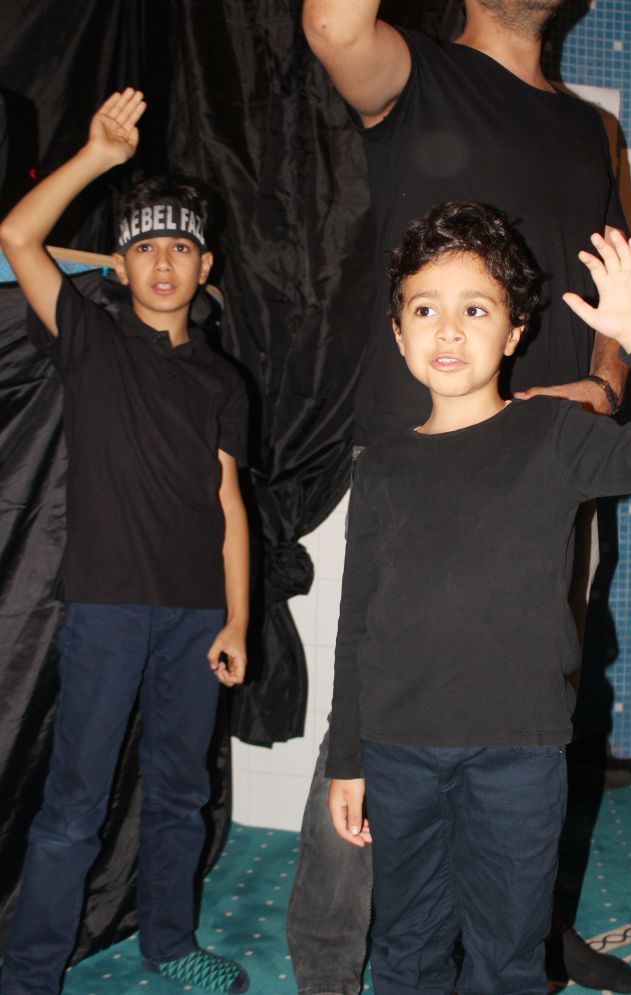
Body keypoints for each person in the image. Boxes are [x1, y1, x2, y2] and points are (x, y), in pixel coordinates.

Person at [288, 2, 631, 992]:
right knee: (388, 706)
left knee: (527, 711)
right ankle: (330, 961)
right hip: (423, 455)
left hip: (558, 459)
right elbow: (332, 25)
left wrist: (603, 387)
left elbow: (619, 280)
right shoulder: (418, 72)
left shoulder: (593, 128)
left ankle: (527, 926)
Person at [326, 203, 631, 994]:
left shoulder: (556, 434)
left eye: (475, 309)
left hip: (518, 752)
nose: (448, 329)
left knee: (508, 955)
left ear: (514, 332)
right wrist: (346, 758)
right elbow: (357, 617)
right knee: (405, 946)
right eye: (425, 310)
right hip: (399, 749)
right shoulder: (380, 466)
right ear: (399, 333)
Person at [0, 90, 251, 995]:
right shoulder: (90, 341)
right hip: (106, 609)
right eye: (145, 246)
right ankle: (30, 974)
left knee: (180, 793)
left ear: (204, 264)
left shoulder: (222, 381)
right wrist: (97, 158)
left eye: (180, 246)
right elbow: (18, 235)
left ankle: (169, 942)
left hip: (196, 617)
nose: (163, 261)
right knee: (75, 801)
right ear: (119, 263)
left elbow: (229, 504)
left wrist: (238, 620)